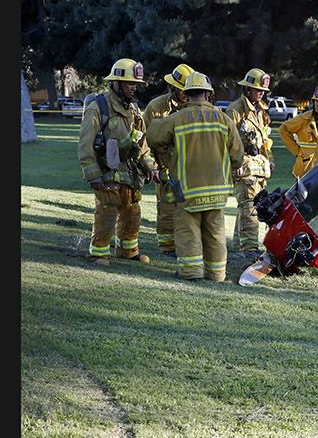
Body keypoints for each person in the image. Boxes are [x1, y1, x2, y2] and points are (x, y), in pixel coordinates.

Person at [146, 72, 244, 281]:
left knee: (187, 232)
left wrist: (168, 154)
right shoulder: (224, 119)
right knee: (215, 234)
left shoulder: (176, 119)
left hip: (187, 189)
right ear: (208, 94)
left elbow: (153, 137)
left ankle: (191, 272)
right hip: (217, 191)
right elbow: (238, 156)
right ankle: (217, 273)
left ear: (187, 94)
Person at [78, 58, 159, 267]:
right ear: (116, 83)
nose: (134, 87)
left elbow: (142, 145)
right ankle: (99, 253)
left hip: (128, 173)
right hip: (106, 171)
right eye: (130, 83)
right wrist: (93, 174)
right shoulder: (99, 107)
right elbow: (85, 144)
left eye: (136, 84)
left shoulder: (134, 110)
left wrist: (149, 166)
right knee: (107, 210)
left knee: (132, 212)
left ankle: (128, 250)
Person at [142, 63, 194, 256]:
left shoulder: (194, 108)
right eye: (182, 90)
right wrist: (152, 167)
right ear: (173, 88)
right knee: (166, 209)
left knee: (189, 210)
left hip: (190, 170)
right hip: (165, 168)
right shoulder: (156, 107)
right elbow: (144, 141)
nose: (186, 94)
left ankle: (187, 244)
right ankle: (167, 247)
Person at [225, 68, 276, 260]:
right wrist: (235, 162)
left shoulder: (260, 110)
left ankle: (239, 245)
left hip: (259, 169)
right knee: (249, 208)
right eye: (257, 89)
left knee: (247, 208)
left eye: (263, 90)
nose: (261, 93)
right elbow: (228, 140)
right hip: (244, 168)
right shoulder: (235, 110)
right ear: (247, 89)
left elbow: (265, 141)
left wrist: (269, 160)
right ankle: (249, 249)